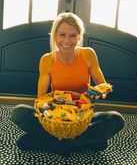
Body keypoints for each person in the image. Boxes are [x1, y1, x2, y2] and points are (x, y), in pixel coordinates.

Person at [10, 12, 125, 154]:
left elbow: (103, 85)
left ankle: (54, 144)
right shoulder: (47, 59)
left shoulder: (88, 54)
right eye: (62, 34)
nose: (67, 40)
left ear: (79, 36)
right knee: (18, 112)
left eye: (73, 35)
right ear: (54, 36)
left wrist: (101, 92)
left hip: (81, 117)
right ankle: (78, 143)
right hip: (54, 116)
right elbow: (40, 98)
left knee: (116, 119)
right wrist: (50, 118)